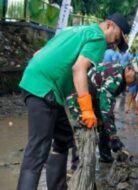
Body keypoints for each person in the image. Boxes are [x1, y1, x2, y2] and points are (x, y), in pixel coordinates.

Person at [17, 12, 130, 190]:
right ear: (109, 25)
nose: (113, 46)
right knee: (37, 151)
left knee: (64, 137)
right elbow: (79, 69)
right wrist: (86, 109)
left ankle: (58, 187)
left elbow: (40, 52)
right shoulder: (99, 38)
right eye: (116, 39)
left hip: (39, 83)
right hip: (44, 88)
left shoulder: (76, 30)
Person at [66, 58, 138, 163]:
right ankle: (77, 165)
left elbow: (107, 108)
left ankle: (105, 156)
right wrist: (114, 136)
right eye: (136, 78)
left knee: (105, 125)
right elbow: (106, 108)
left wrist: (112, 135)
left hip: (94, 96)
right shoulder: (116, 78)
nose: (136, 82)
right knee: (84, 129)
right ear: (129, 69)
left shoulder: (122, 75)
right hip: (79, 96)